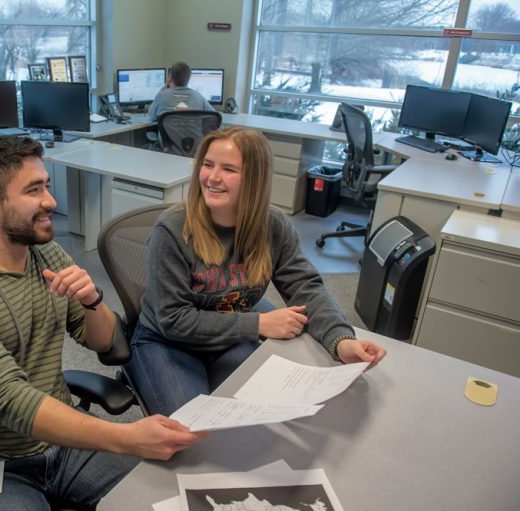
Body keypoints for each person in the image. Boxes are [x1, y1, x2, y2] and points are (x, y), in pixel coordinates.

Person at [0, 135, 207, 510]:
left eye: (46, 186)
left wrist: (91, 301)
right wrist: (126, 437)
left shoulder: (45, 253)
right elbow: (12, 402)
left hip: (61, 445)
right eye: (34, 190)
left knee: (171, 499)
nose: (51, 201)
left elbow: (103, 343)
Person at [125, 127, 387, 417]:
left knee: (262, 414)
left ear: (254, 178)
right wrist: (257, 325)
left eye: (229, 169)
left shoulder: (272, 225)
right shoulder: (173, 229)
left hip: (227, 336)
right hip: (166, 341)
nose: (212, 177)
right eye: (208, 165)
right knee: (189, 428)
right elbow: (172, 320)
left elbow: (306, 287)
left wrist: (342, 341)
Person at [148, 61, 216, 121]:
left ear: (170, 78)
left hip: (168, 136)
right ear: (189, 79)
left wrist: (163, 90)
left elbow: (152, 117)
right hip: (194, 135)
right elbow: (215, 117)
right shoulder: (198, 96)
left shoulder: (161, 95)